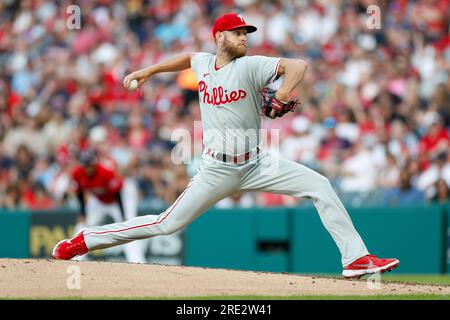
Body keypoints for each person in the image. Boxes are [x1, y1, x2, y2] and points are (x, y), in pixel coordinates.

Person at [53, 13, 399, 278]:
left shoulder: (250, 66)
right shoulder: (203, 62)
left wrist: (280, 94)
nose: (244, 38)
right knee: (165, 223)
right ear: (220, 36)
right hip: (216, 168)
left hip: (258, 163)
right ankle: (86, 239)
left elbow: (298, 65)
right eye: (238, 33)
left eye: (246, 33)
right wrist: (149, 70)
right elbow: (188, 57)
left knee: (320, 185)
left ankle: (355, 258)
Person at [65, 149, 146, 263]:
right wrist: (83, 214)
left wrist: (123, 216)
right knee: (82, 224)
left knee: (128, 227)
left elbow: (117, 193)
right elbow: (80, 192)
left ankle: (138, 261)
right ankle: (75, 258)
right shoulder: (77, 173)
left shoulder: (105, 172)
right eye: (85, 165)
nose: (88, 168)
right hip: (99, 200)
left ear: (95, 164)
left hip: (119, 198)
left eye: (90, 165)